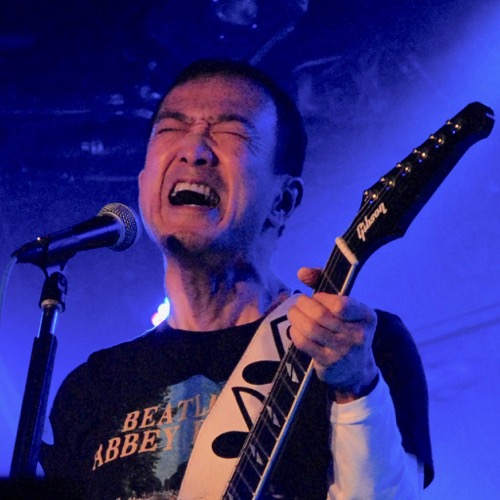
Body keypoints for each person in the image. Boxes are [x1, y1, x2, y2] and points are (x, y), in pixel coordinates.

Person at [40, 59, 433, 499]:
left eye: (232, 133)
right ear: (144, 182)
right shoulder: (92, 388)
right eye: (171, 129)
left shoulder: (358, 345)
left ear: (283, 201)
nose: (194, 150)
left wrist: (354, 386)